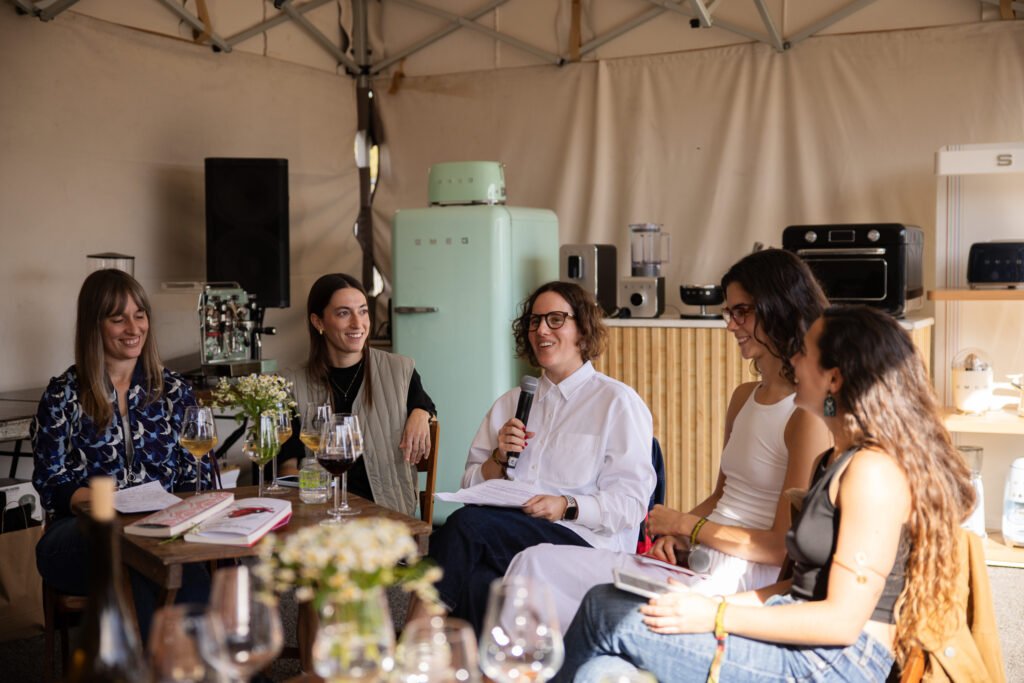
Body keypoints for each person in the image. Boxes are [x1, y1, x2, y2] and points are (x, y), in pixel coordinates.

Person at [553, 305, 977, 683]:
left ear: (834, 378)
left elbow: (842, 621)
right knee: (598, 672)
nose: (793, 360)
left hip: (834, 664)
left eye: (804, 353)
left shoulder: (873, 471)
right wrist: (708, 601)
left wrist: (716, 615)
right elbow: (800, 587)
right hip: (801, 638)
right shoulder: (832, 460)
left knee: (603, 608)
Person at [505, 249, 832, 629]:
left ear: (780, 308)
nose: (731, 325)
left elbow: (780, 547)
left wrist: (687, 526)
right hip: (702, 555)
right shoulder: (744, 396)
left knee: (564, 582)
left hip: (742, 576)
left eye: (741, 312)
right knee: (534, 561)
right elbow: (721, 496)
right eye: (729, 312)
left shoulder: (805, 415)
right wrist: (677, 536)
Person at [420, 281, 655, 633]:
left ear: (583, 329)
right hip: (507, 531)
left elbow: (631, 504)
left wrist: (567, 505)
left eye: (555, 319)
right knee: (477, 581)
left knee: (465, 526)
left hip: (583, 539)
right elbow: (469, 484)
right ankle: (464, 659)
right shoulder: (511, 402)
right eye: (534, 321)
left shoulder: (616, 402)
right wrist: (498, 459)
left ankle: (414, 639)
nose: (541, 330)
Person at [32, 269, 210, 637]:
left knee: (166, 563)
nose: (133, 328)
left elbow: (197, 474)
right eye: (118, 319)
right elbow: (51, 484)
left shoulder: (174, 391)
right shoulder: (63, 394)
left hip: (160, 532)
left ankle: (180, 661)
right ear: (94, 325)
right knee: (132, 551)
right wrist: (112, 507)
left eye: (139, 315)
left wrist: (170, 516)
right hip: (79, 536)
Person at [278, 273, 436, 516]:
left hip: (388, 514)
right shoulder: (291, 383)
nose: (357, 323)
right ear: (318, 322)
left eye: (363, 311)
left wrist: (421, 413)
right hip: (321, 515)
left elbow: (423, 402)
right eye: (344, 313)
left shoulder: (399, 369)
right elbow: (287, 465)